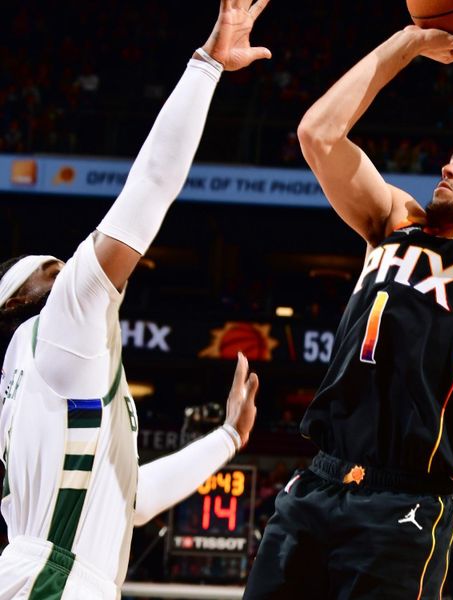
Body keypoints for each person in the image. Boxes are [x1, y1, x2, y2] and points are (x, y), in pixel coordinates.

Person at [243, 1, 453, 597]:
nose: (447, 164)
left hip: (403, 502)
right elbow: (317, 134)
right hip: (316, 483)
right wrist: (408, 42)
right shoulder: (394, 221)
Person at [0, 1, 271, 597]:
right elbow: (147, 189)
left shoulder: (59, 379)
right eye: (55, 269)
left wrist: (227, 438)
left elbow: (133, 498)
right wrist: (206, 67)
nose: (70, 267)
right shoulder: (56, 329)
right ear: (27, 300)